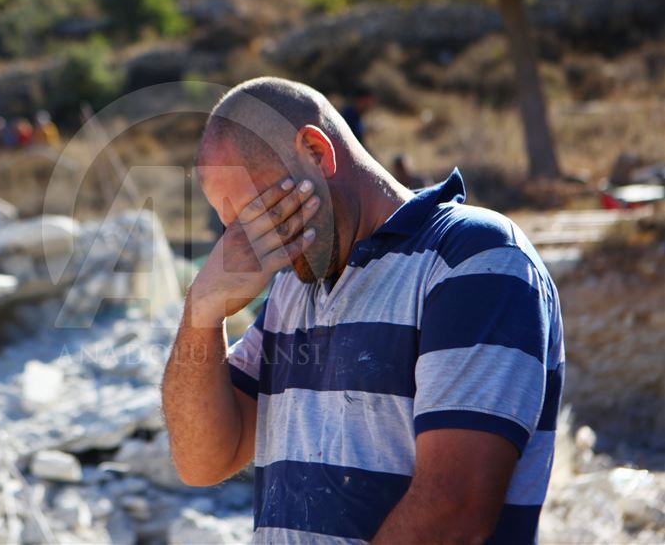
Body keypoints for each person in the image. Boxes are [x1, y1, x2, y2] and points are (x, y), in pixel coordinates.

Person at [161, 77, 563, 544]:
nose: (254, 243)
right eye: (238, 230)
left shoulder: (472, 258)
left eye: (264, 210)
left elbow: (455, 510)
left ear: (315, 150)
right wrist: (202, 313)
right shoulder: (293, 287)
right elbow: (201, 459)